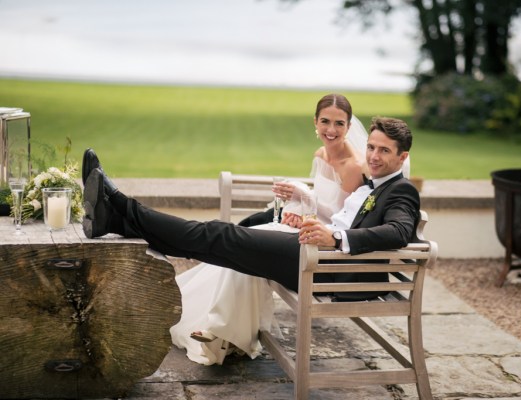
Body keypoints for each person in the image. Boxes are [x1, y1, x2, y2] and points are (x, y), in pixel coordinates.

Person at [81, 115, 419, 356]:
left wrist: (335, 239)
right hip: (316, 256)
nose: (373, 156)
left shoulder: (401, 190)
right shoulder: (373, 184)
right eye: (372, 147)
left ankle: (121, 206)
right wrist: (312, 226)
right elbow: (345, 223)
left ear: (401, 157)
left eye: (384, 151)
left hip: (329, 271)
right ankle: (117, 220)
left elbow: (401, 231)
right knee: (220, 245)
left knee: (219, 236)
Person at [168, 93, 368, 364]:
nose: (331, 130)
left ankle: (222, 329)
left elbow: (339, 220)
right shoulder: (320, 154)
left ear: (348, 126)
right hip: (306, 229)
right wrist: (297, 208)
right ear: (315, 122)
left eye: (339, 124)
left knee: (247, 246)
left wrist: (304, 201)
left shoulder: (354, 167)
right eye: (325, 121)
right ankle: (221, 329)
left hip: (320, 244)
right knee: (246, 245)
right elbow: (315, 204)